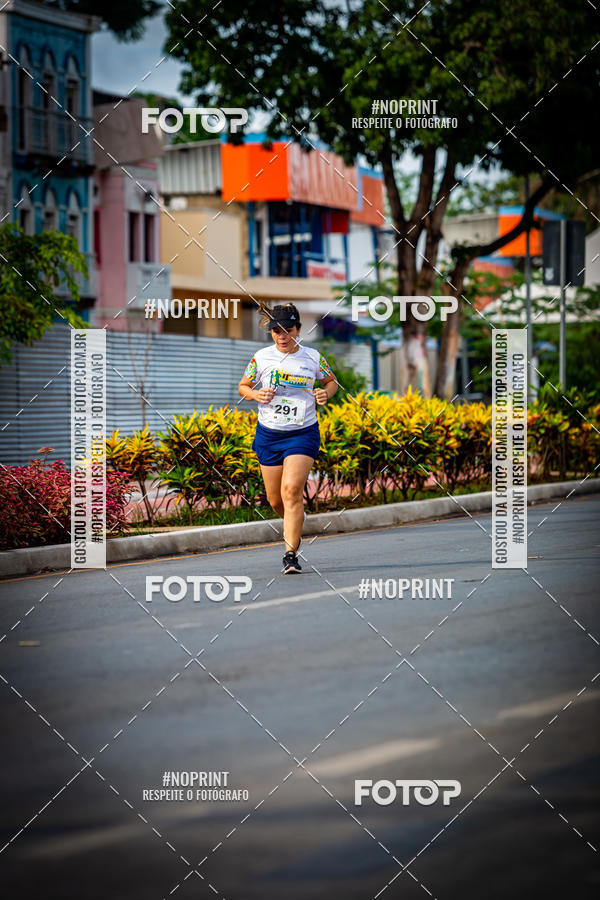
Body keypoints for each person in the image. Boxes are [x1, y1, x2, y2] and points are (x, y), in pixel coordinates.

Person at [238, 303, 338, 573]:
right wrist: (255, 394)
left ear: (298, 330)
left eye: (288, 330)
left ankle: (290, 554)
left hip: (302, 433)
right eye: (276, 331)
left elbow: (331, 381)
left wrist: (324, 393)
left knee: (291, 491)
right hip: (268, 434)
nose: (282, 336)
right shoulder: (261, 357)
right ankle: (294, 525)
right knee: (275, 500)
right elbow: (244, 386)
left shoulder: (313, 357)